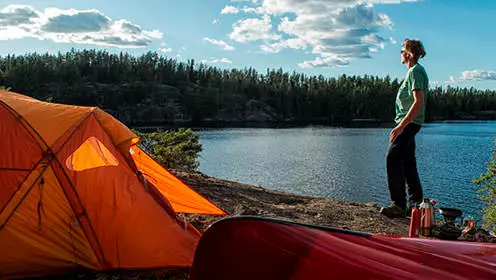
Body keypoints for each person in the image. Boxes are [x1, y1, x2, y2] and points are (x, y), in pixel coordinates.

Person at [380, 38, 428, 218]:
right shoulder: (414, 72)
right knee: (408, 163)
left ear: (408, 54)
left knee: (392, 158)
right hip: (410, 124)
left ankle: (399, 205)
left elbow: (418, 102)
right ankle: (416, 206)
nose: (400, 54)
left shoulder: (416, 71)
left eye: (401, 51)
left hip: (409, 124)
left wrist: (400, 126)